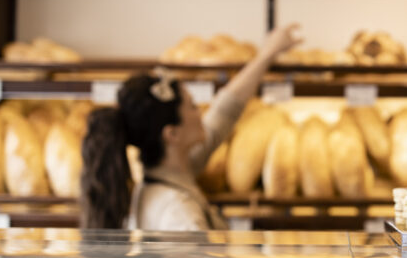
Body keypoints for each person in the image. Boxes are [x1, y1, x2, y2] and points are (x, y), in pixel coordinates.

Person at [80, 24, 302, 230]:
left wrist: (267, 54)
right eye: (193, 107)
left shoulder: (170, 173)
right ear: (172, 134)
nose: (202, 114)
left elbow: (225, 111)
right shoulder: (180, 214)